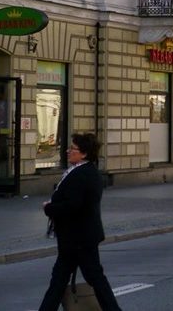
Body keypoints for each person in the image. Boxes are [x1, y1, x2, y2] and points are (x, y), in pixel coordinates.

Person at [38, 133, 122, 311]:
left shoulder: (81, 175)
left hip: (79, 237)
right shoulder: (84, 171)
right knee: (60, 279)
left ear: (83, 153)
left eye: (73, 149)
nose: (68, 151)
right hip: (77, 237)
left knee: (93, 277)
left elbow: (72, 205)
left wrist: (49, 208)